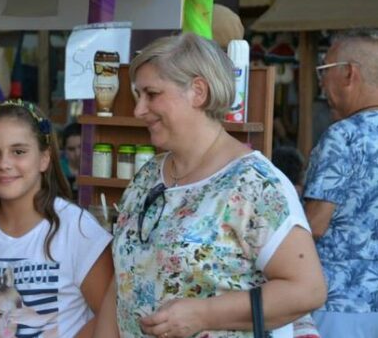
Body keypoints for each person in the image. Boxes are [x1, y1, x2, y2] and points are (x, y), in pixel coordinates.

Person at [93, 33, 326, 337]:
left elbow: (307, 290)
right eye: (139, 96)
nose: (139, 110)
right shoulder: (148, 176)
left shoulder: (254, 184)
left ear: (198, 92)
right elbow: (123, 280)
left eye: (151, 94)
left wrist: (204, 315)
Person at [0, 100, 113, 337]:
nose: (4, 164)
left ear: (44, 158)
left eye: (18, 152)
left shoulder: (77, 228)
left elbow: (110, 314)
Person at [303, 29, 378, 337]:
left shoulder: (343, 136)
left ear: (348, 73)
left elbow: (316, 225)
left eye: (323, 70)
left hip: (339, 305)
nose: (321, 82)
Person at [60, 122, 81, 200]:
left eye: (81, 147)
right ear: (64, 150)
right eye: (71, 149)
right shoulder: (58, 169)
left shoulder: (96, 169)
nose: (77, 153)